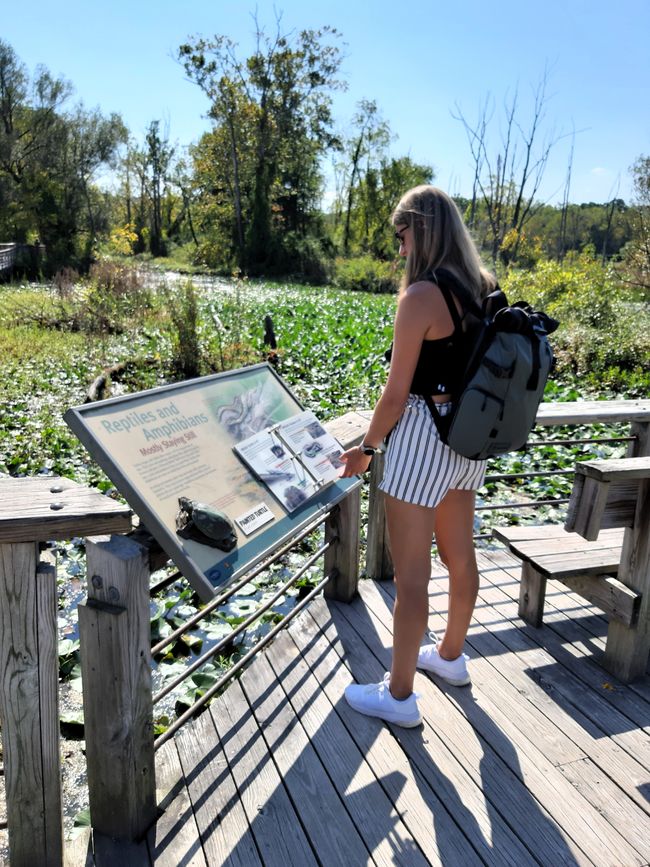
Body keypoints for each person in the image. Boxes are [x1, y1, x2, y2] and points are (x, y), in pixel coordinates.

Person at [339, 185, 496, 727]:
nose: (400, 249)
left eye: (401, 236)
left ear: (421, 230)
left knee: (410, 579)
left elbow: (394, 393)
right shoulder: (482, 287)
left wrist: (365, 448)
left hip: (421, 441)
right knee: (459, 555)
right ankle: (450, 658)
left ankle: (399, 695)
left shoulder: (420, 298)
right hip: (468, 437)